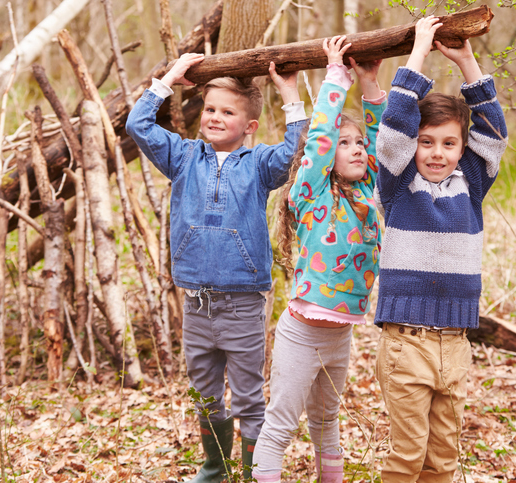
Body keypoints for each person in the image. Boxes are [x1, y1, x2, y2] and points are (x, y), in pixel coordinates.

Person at [126, 53, 307, 482]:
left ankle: (251, 472)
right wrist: (168, 78)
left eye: (228, 112)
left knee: (247, 398)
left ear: (249, 127)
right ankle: (215, 468)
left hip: (243, 303)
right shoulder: (183, 156)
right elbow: (138, 125)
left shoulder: (260, 165)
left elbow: (295, 150)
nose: (214, 117)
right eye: (210, 109)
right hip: (196, 305)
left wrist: (288, 93)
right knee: (205, 394)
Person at [374, 16, 508, 483]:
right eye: (426, 143)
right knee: (408, 455)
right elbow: (393, 130)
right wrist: (419, 52)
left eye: (449, 143)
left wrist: (467, 61)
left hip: (455, 342)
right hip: (406, 343)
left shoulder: (469, 185)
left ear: (460, 148)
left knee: (442, 460)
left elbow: (493, 135)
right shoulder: (396, 185)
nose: (436, 153)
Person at [251, 36, 386, 483]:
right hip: (302, 333)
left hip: (340, 335)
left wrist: (370, 85)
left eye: (359, 143)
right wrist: (335, 76)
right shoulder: (312, 194)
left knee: (328, 425)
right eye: (345, 143)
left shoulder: (368, 196)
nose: (356, 149)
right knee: (281, 426)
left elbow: (385, 147)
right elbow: (319, 139)